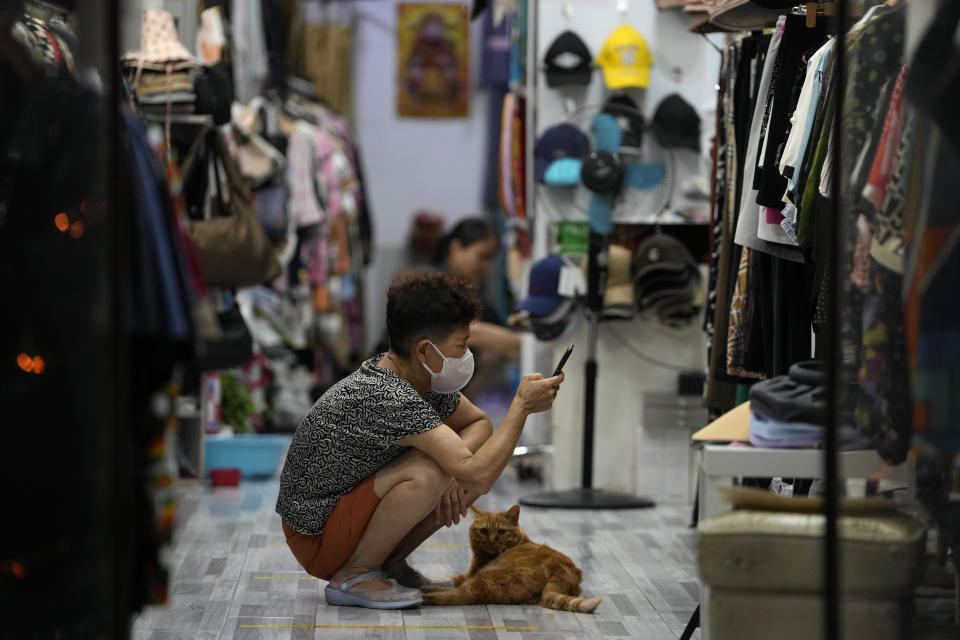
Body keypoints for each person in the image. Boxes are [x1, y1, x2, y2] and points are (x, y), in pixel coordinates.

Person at [276, 272, 564, 609]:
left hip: (340, 519)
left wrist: (457, 473)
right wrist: (521, 407)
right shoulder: (387, 395)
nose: (467, 353)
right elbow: (478, 473)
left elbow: (479, 423)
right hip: (315, 536)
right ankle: (354, 575)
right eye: (462, 344)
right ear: (426, 350)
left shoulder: (418, 378)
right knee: (429, 473)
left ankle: (388, 565)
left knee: (450, 472)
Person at [431, 217, 521, 395]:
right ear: (456, 248)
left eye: (491, 259)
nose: (487, 266)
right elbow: (462, 332)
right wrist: (528, 345)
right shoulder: (431, 286)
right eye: (482, 257)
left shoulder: (477, 297)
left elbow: (501, 335)